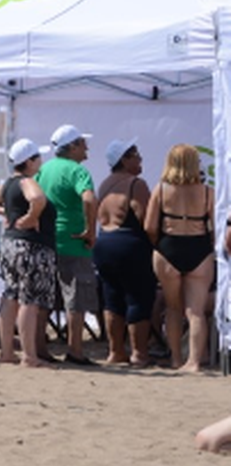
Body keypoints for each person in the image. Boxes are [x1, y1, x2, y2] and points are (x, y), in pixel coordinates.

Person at [0, 139, 57, 368]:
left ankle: (7, 352)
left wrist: (10, 214)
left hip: (11, 244)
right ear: (30, 161)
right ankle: (29, 355)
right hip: (32, 246)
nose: (41, 162)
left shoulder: (9, 184)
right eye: (37, 158)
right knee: (30, 300)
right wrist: (31, 217)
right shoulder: (26, 181)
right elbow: (37, 198)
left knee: (11, 295)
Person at [145, 144, 215, 371]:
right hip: (199, 248)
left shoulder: (161, 189)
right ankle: (194, 361)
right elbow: (215, 228)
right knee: (196, 311)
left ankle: (176, 359)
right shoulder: (207, 191)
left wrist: (160, 245)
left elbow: (149, 226)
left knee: (173, 308)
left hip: (169, 247)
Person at [36, 124, 98, 366]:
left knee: (44, 298)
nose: (86, 147)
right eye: (82, 143)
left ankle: (40, 348)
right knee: (76, 299)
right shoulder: (77, 171)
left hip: (48, 240)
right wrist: (90, 229)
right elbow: (89, 198)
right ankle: (75, 350)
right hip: (74, 241)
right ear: (72, 146)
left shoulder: (44, 169)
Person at [92, 138, 154, 366]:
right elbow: (146, 220)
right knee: (138, 298)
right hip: (129, 244)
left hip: (105, 242)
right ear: (124, 160)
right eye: (136, 155)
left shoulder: (105, 184)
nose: (140, 159)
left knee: (112, 299)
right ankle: (139, 353)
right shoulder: (135, 184)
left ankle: (115, 351)